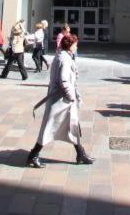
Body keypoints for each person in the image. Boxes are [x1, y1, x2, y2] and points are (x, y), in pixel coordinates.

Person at [26, 33, 94, 168]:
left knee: (73, 126)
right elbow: (64, 80)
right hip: (61, 102)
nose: (77, 46)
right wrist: (71, 96)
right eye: (75, 44)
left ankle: (81, 153)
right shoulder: (65, 59)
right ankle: (33, 155)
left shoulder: (63, 56)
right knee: (49, 128)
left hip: (63, 101)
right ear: (70, 45)